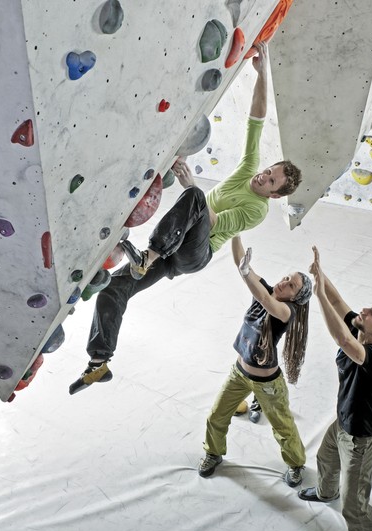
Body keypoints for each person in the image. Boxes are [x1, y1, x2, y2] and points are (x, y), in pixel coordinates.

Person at [70, 41, 303, 394]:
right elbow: (256, 119)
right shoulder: (247, 171)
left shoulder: (257, 210)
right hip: (175, 247)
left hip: (196, 253)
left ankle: (147, 255)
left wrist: (191, 184)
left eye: (270, 181)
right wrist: (262, 73)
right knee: (114, 289)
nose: (262, 177)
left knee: (194, 195)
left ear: (275, 194)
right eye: (268, 171)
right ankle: (98, 363)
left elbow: (210, 223)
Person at [297, 246, 372, 531]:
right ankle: (324, 491)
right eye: (371, 307)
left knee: (354, 505)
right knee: (325, 457)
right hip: (344, 421)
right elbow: (339, 302)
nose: (365, 311)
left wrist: (316, 297)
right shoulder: (363, 328)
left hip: (362, 436)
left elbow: (345, 342)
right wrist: (320, 273)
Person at [198, 236, 312, 486]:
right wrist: (235, 230)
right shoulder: (267, 291)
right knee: (216, 415)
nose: (283, 283)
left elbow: (264, 299)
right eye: (286, 278)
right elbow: (240, 261)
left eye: (291, 285)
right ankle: (213, 453)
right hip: (238, 373)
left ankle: (295, 464)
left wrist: (247, 273)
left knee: (283, 428)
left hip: (267, 384)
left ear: (296, 298)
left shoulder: (286, 312)